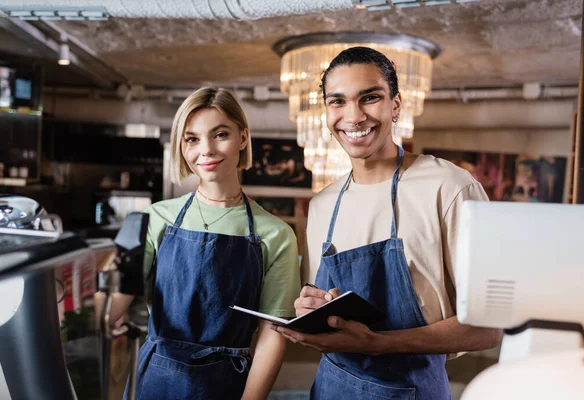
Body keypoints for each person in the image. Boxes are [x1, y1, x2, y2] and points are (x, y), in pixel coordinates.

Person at [272, 47, 502, 399]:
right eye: (338, 102)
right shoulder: (322, 205)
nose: (354, 115)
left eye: (370, 98)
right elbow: (323, 302)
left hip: (411, 389)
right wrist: (310, 308)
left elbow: (488, 328)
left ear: (396, 104)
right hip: (331, 387)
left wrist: (377, 343)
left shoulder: (450, 187)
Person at [110, 87, 301, 400]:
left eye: (220, 134)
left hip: (228, 385)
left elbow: (272, 336)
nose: (206, 150)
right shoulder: (156, 218)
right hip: (156, 382)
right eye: (192, 139)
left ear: (243, 137)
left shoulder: (276, 234)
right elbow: (114, 302)